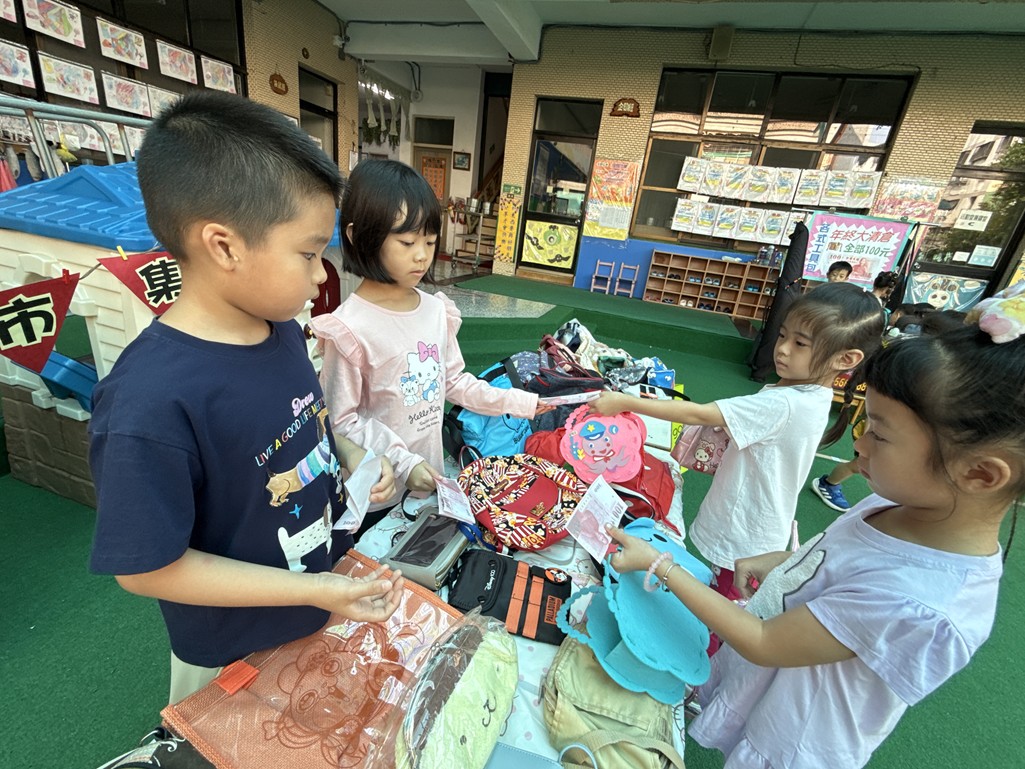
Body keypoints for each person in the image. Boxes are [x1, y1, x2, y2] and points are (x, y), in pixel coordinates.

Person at [605, 286, 1024, 769]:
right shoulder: (897, 504)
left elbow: (765, 643)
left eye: (878, 434)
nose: (859, 447)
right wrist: (784, 560)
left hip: (792, 742)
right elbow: (846, 555)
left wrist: (660, 564)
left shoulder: (918, 604)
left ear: (980, 474)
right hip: (766, 688)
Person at [88, 91, 403, 705]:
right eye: (308, 253)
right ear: (225, 246)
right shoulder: (146, 403)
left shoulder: (280, 329)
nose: (322, 274)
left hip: (318, 597)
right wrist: (312, 591)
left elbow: (304, 424)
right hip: (232, 653)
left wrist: (351, 455)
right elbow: (146, 568)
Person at [592, 282, 885, 601]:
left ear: (846, 359)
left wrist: (625, 402)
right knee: (724, 594)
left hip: (744, 533)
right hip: (762, 528)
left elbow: (700, 414)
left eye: (800, 343)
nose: (783, 349)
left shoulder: (785, 403)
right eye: (783, 335)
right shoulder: (813, 394)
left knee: (723, 604)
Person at [311, 159, 551, 532]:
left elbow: (453, 381)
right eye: (407, 242)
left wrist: (521, 402)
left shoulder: (436, 310)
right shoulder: (350, 328)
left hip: (428, 480)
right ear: (359, 236)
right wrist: (402, 462)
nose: (422, 255)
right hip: (376, 492)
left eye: (429, 240)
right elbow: (340, 423)